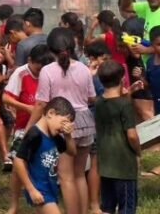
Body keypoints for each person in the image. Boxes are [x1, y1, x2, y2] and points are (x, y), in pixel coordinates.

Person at [27, 28, 96, 214]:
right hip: (86, 122)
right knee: (80, 174)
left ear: (50, 50)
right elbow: (91, 98)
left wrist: (29, 127)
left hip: (64, 124)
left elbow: (41, 103)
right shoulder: (83, 68)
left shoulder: (47, 71)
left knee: (66, 178)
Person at [3, 44, 55, 214]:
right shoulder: (21, 74)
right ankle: (14, 205)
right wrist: (26, 108)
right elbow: (6, 97)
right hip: (24, 126)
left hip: (48, 127)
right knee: (19, 167)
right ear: (29, 60)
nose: (40, 73)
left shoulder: (50, 71)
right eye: (37, 69)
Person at [14, 97, 77, 214]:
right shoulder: (34, 134)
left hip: (50, 187)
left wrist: (68, 136)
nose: (63, 128)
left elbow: (72, 152)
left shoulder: (55, 135)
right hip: (39, 188)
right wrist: (31, 189)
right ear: (51, 113)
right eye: (63, 122)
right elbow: (18, 161)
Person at [94, 60, 141, 214]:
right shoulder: (125, 105)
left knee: (107, 206)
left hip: (106, 163)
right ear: (122, 79)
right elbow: (132, 136)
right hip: (124, 165)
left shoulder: (98, 102)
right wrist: (138, 152)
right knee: (127, 206)